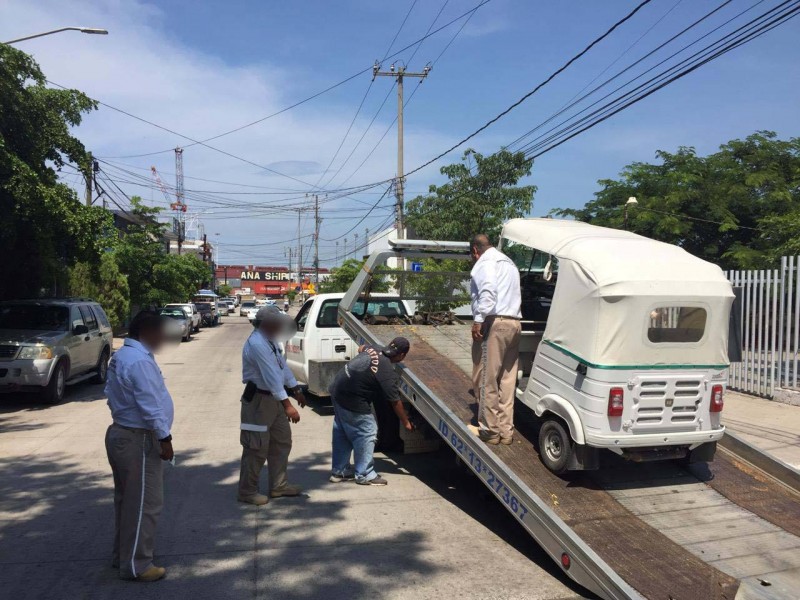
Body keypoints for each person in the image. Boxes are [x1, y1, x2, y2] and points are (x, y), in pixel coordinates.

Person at [104, 310, 174, 582]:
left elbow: (113, 395)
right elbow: (149, 404)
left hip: (123, 434)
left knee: (128, 502)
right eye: (161, 333)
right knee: (146, 504)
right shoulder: (138, 362)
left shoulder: (124, 355)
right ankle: (137, 565)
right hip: (139, 438)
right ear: (148, 332)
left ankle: (122, 556)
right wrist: (164, 438)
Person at [239, 304, 306, 505]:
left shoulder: (271, 341)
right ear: (267, 324)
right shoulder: (257, 344)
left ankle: (279, 486)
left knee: (281, 442)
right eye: (277, 323)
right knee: (256, 447)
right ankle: (247, 491)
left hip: (274, 398)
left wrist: (296, 389)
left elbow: (282, 367)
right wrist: (288, 405)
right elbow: (270, 376)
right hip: (259, 401)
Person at [329, 337, 413, 486]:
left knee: (342, 431)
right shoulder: (386, 371)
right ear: (402, 356)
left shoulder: (375, 347)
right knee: (367, 431)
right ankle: (365, 474)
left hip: (337, 389)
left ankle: (340, 471)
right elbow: (395, 401)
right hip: (352, 398)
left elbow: (361, 348)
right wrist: (406, 422)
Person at [469, 233, 522, 445]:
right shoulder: (509, 262)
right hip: (515, 323)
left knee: (487, 379)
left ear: (475, 250)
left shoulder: (485, 262)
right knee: (507, 381)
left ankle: (490, 431)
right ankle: (506, 431)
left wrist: (478, 320)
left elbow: (488, 292)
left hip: (495, 323)